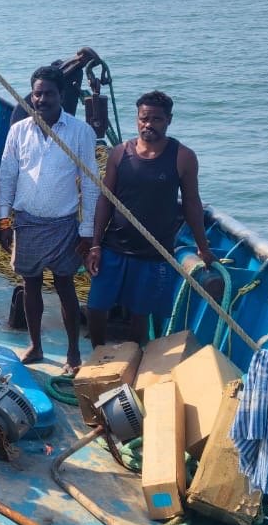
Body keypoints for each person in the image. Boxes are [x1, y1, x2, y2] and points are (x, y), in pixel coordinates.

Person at [86, 89, 214, 346]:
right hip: (114, 247)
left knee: (140, 315)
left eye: (156, 119)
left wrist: (203, 246)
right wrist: (96, 245)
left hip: (154, 253)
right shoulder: (120, 153)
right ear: (137, 119)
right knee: (96, 305)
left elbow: (191, 203)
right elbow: (105, 200)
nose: (148, 125)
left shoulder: (183, 157)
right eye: (144, 118)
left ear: (169, 120)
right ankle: (97, 353)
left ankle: (135, 356)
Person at [0, 65, 101, 373]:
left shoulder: (80, 132)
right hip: (27, 222)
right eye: (37, 94)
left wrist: (87, 231)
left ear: (62, 95)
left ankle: (73, 353)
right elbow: (7, 175)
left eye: (49, 94)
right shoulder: (19, 130)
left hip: (64, 224)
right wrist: (3, 220)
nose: (42, 100)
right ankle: (35, 345)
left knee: (65, 286)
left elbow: (90, 183)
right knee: (30, 285)